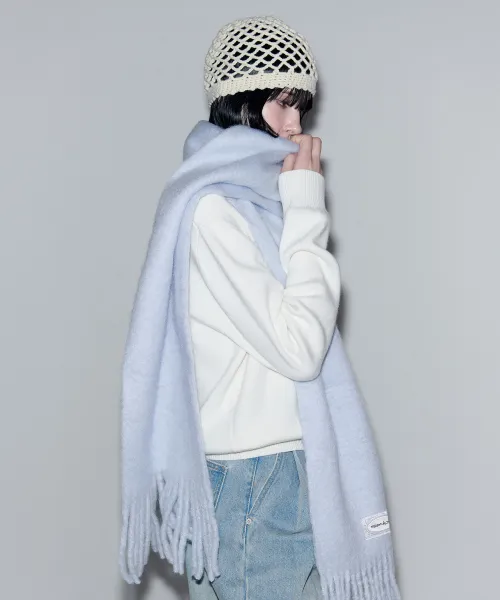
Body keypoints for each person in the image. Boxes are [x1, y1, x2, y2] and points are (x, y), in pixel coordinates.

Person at [120, 15, 400, 600]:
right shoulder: (214, 211)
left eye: (301, 108)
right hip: (255, 481)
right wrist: (307, 207)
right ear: (241, 103)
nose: (295, 125)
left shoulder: (254, 204)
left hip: (276, 473)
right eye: (282, 105)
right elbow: (300, 349)